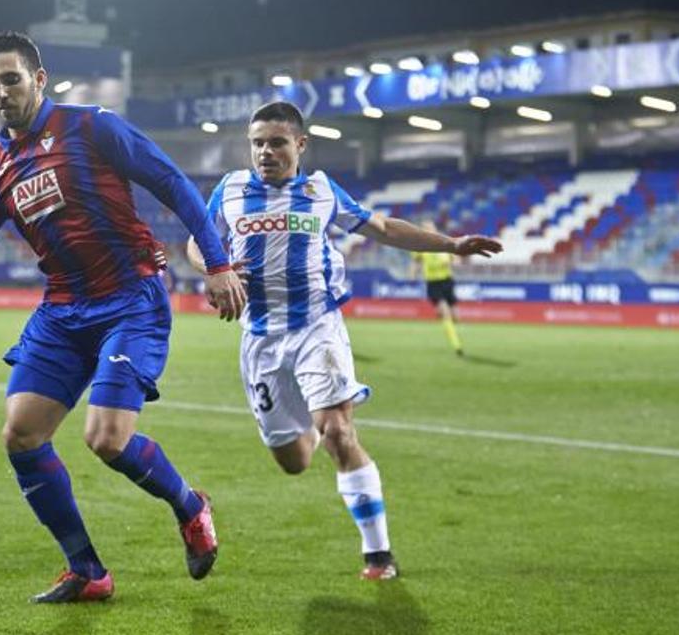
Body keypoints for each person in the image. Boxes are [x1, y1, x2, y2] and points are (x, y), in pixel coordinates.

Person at [0, 31, 246, 604]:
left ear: (39, 78)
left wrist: (218, 263)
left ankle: (189, 506)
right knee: (21, 435)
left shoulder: (92, 127)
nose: (1, 91)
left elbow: (173, 182)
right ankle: (87, 570)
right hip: (62, 311)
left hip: (132, 299)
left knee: (105, 439)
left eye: (11, 78)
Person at [187, 102, 501, 580]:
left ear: (300, 144)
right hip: (260, 339)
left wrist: (451, 244)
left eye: (277, 142)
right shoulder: (229, 190)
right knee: (293, 461)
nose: (265, 152)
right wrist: (213, 269)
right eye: (257, 143)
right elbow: (200, 241)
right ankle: (310, 425)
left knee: (338, 432)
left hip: (317, 327)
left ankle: (378, 555)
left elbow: (383, 228)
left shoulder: (320, 190)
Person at [410, 222, 464, 356]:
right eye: (425, 229)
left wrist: (454, 262)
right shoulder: (420, 246)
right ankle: (457, 345)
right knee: (445, 312)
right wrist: (412, 274)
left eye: (430, 228)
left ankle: (448, 323)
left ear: (435, 229)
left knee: (455, 316)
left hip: (447, 281)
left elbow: (456, 258)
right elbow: (415, 262)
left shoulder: (444, 242)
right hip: (432, 283)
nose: (428, 231)